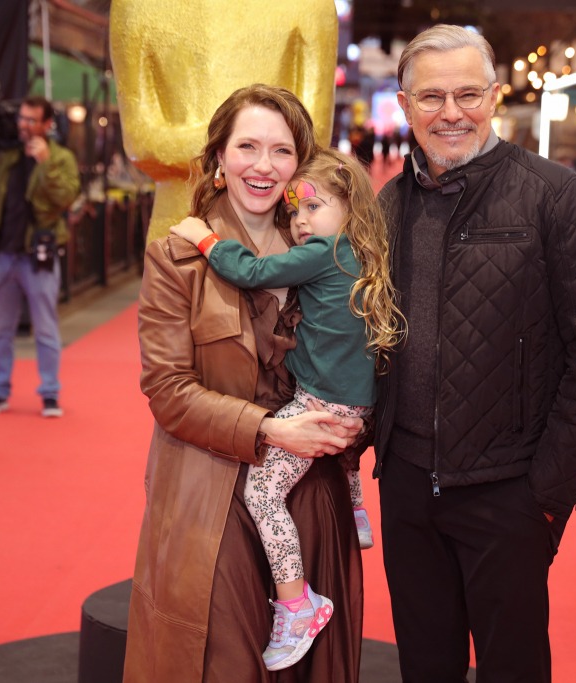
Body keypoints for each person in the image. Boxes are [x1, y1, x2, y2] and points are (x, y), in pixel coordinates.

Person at [375, 25, 576, 682]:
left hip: (508, 490)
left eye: (468, 93)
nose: (451, 113)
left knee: (511, 668)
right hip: (406, 486)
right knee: (424, 665)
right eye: (431, 97)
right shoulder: (388, 205)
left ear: (494, 96)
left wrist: (545, 493)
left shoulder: (556, 196)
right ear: (404, 106)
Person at [124, 84, 367, 683]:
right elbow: (167, 390)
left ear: (300, 167)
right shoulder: (175, 257)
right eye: (247, 147)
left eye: (281, 151)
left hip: (312, 491)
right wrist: (271, 429)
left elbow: (373, 355)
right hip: (211, 492)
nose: (263, 165)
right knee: (226, 660)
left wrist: (357, 427)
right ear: (217, 160)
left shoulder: (332, 251)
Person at [171, 148, 404, 671]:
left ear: (350, 207)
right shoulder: (367, 254)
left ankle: (298, 603)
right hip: (358, 406)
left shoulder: (325, 251)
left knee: (263, 492)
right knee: (336, 445)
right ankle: (355, 502)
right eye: (294, 212)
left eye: (313, 207)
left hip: (321, 404)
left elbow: (253, 270)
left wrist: (204, 238)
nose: (301, 222)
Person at [0, 96, 79, 418]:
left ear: (47, 124)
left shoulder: (61, 157)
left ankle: (49, 393)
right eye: (22, 119)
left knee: (45, 330)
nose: (24, 125)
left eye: (32, 120)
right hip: (4, 254)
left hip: (37, 255)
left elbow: (66, 196)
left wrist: (45, 164)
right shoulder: (8, 155)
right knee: (0, 330)